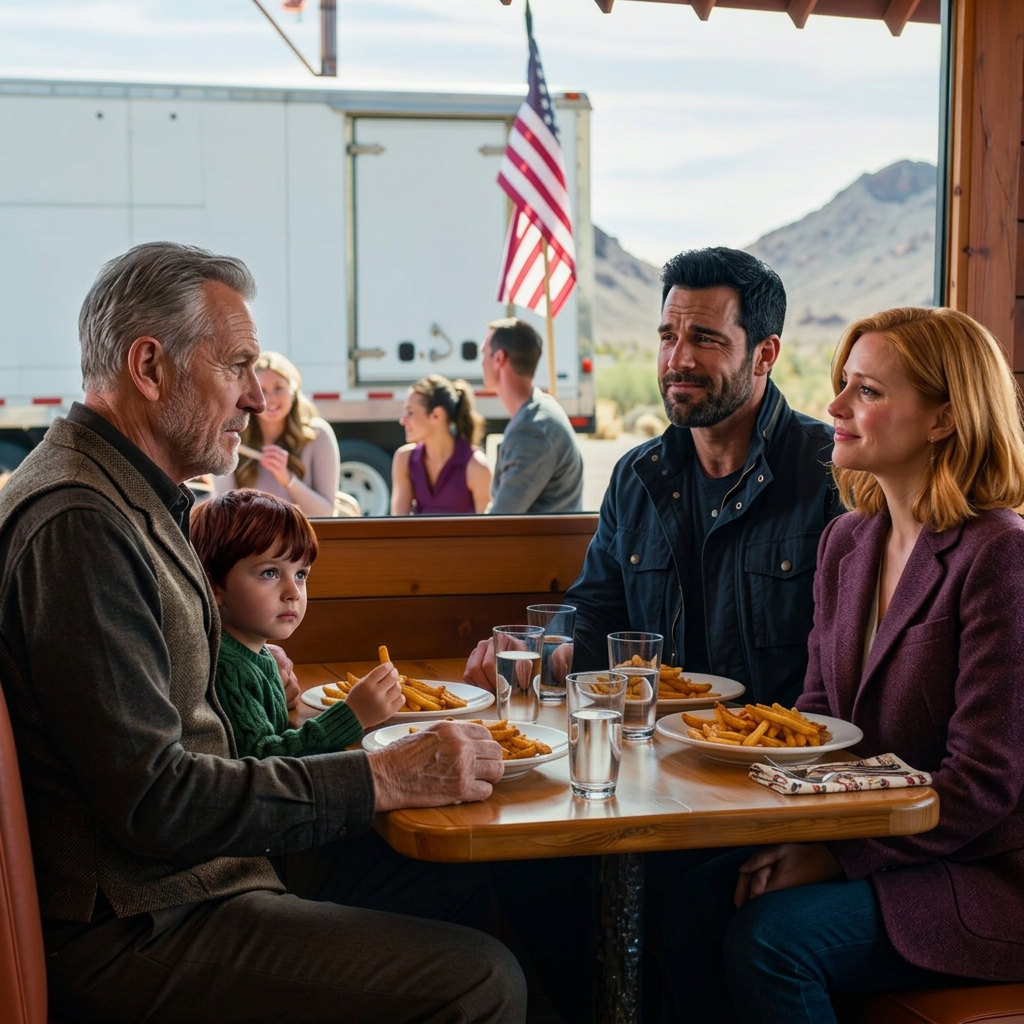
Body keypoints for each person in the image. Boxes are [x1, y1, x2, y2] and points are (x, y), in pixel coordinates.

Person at [0, 241, 526, 1023]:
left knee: (493, 878)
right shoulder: (80, 523)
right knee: (482, 980)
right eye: (236, 366)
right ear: (149, 367)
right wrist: (382, 779)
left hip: (203, 873)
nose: (255, 396)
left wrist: (238, 657)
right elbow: (155, 800)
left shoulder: (132, 497)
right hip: (141, 925)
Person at [663, 306, 1024, 1023]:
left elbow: (984, 783)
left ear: (944, 419)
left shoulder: (1001, 554)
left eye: (868, 390)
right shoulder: (847, 543)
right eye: (843, 384)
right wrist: (794, 833)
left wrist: (840, 857)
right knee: (688, 898)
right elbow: (817, 726)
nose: (834, 406)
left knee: (772, 940)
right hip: (875, 842)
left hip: (979, 873)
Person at [467, 247, 842, 709]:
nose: (677, 360)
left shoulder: (833, 474)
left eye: (704, 339)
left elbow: (847, 658)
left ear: (764, 354)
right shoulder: (636, 477)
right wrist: (539, 654)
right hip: (652, 740)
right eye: (668, 336)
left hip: (788, 747)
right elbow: (597, 614)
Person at [192, 489, 403, 756]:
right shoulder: (227, 668)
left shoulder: (256, 654)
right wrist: (353, 715)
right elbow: (266, 760)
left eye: (301, 574)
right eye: (270, 573)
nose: (293, 591)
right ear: (214, 586)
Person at [213, 350, 356, 518]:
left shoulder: (318, 436)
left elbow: (326, 513)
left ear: (293, 391)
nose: (270, 399)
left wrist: (288, 479)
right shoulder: (232, 438)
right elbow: (223, 513)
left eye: (278, 388)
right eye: (261, 390)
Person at [482, 317, 583, 515]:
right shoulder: (540, 410)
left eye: (484, 354)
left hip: (542, 537)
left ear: (499, 358)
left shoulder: (531, 429)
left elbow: (501, 519)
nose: (481, 362)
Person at [391, 373, 492, 515]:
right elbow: (398, 523)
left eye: (410, 412)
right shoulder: (404, 459)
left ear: (436, 415)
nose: (403, 421)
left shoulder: (476, 466)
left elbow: (488, 526)